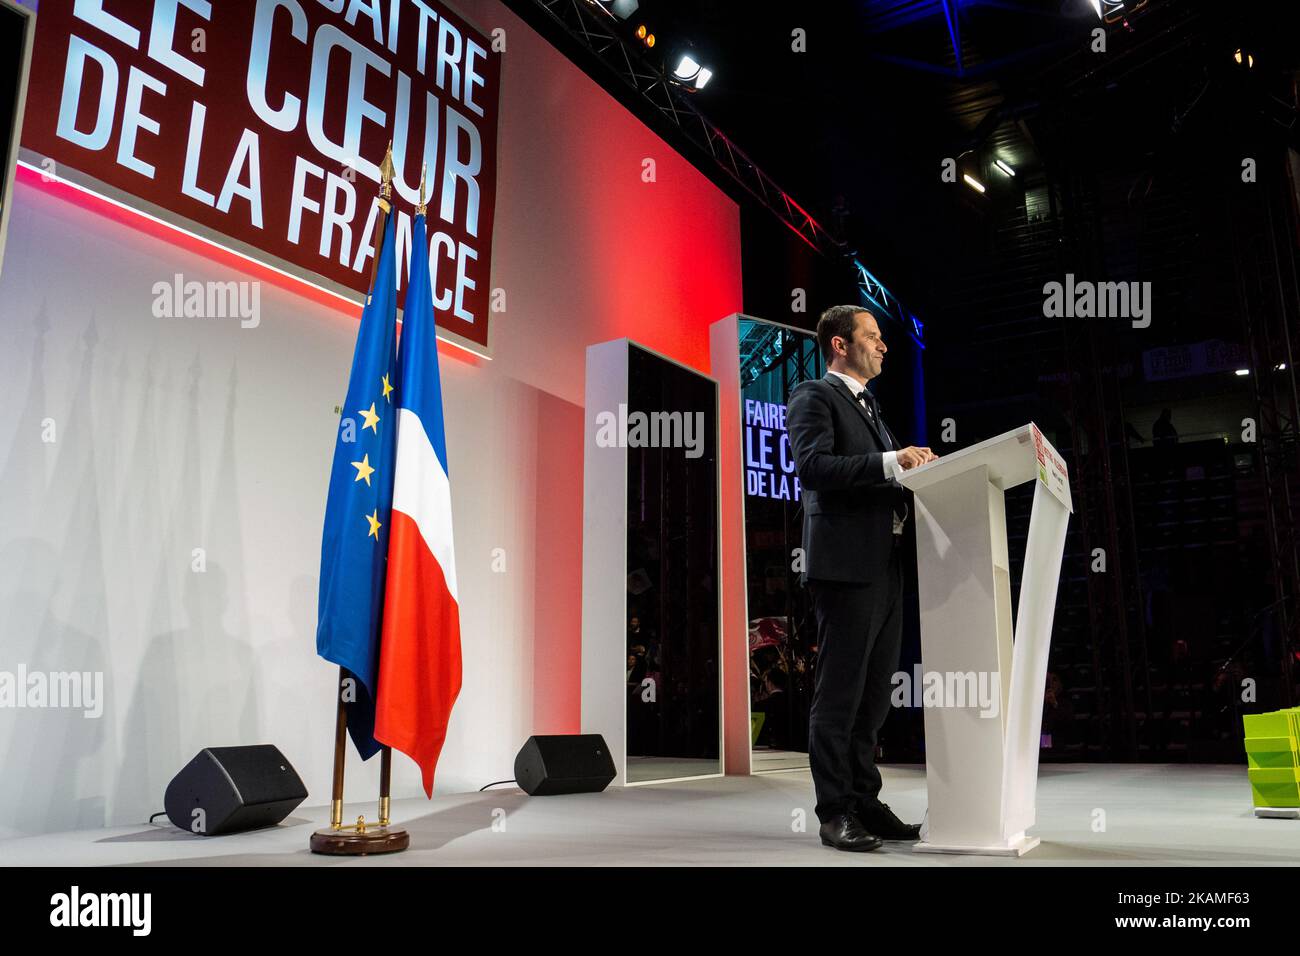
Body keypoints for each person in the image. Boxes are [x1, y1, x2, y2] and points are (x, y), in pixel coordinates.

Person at [786, 305, 937, 852]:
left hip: (886, 565)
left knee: (874, 697)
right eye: (871, 337)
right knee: (841, 694)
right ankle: (835, 812)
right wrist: (894, 462)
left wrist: (921, 473)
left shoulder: (871, 406)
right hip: (846, 567)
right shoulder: (813, 396)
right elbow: (814, 468)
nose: (884, 345)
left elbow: (885, 476)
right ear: (839, 346)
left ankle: (865, 800)